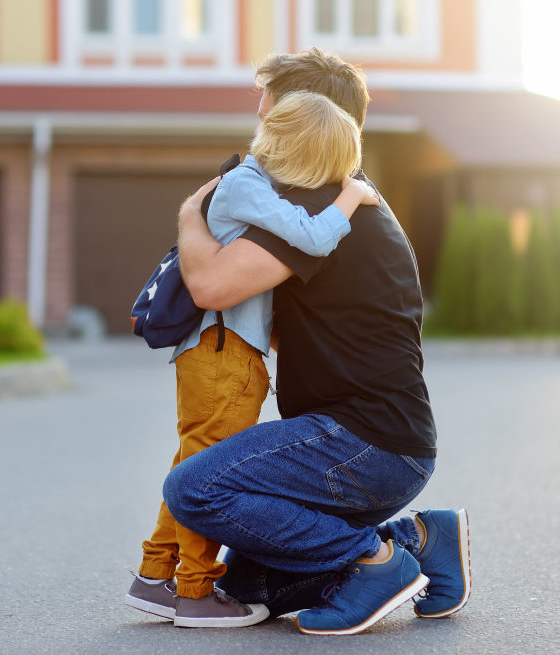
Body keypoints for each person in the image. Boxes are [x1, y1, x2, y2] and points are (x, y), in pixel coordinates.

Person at [160, 48, 472, 636]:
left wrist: (190, 212)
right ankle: (422, 539)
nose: (259, 113)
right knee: (251, 585)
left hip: (361, 443)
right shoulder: (341, 196)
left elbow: (210, 284)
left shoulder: (315, 201)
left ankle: (374, 561)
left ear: (303, 112)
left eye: (268, 100)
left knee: (194, 489)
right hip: (379, 446)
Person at [126, 89, 380, 628]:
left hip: (221, 352)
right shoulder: (248, 185)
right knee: (206, 476)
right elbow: (313, 237)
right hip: (224, 354)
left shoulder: (247, 184)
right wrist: (351, 198)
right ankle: (193, 590)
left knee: (191, 463)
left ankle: (154, 576)